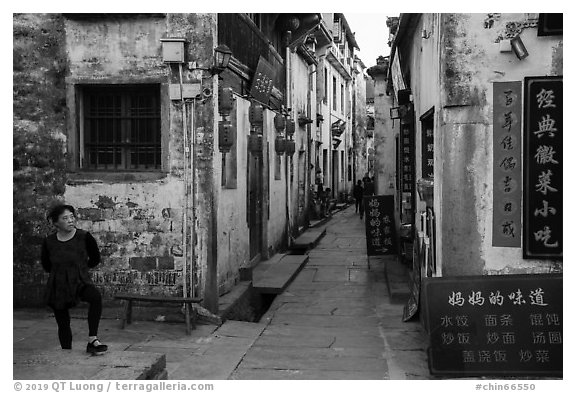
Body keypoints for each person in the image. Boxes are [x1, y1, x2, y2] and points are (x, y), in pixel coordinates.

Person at [41, 204, 108, 355]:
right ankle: (66, 352)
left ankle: (93, 339)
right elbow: (46, 264)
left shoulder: (84, 237)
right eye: (65, 218)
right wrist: (61, 274)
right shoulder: (49, 242)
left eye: (72, 217)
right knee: (62, 320)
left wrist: (80, 269)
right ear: (56, 223)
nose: (71, 220)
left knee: (95, 297)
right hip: (58, 284)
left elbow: (95, 258)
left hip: (79, 281)